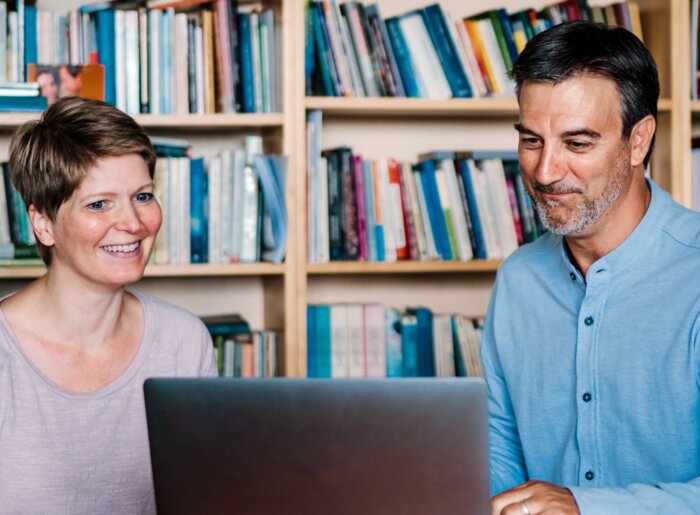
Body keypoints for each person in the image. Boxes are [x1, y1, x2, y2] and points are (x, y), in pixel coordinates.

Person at [483, 21, 700, 515]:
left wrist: (583, 506)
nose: (545, 172)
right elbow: (500, 453)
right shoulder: (518, 280)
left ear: (638, 139)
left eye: (577, 144)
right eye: (532, 140)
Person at [0, 96, 217, 513]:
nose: (133, 224)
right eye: (99, 204)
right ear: (43, 223)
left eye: (143, 196)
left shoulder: (184, 343)